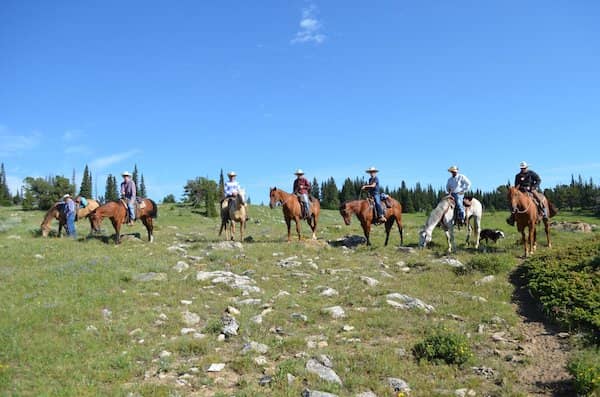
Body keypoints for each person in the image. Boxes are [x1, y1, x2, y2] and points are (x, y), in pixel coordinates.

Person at [507, 161, 546, 225]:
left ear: (526, 167)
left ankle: (542, 212)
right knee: (513, 202)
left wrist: (534, 187)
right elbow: (516, 185)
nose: (523, 169)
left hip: (531, 190)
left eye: (524, 168)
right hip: (521, 191)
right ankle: (512, 217)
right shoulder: (517, 176)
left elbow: (538, 180)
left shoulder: (531, 173)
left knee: (538, 199)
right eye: (522, 168)